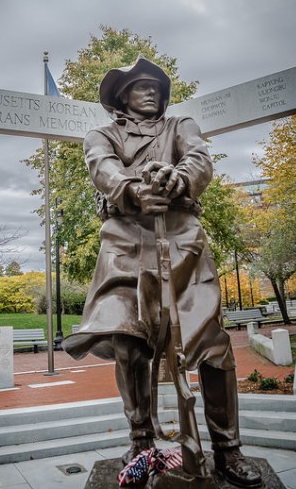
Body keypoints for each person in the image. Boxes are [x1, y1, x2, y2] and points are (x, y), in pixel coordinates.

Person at [63, 57, 261, 488]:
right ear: (122, 95)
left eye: (156, 85)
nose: (151, 91)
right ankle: (141, 442)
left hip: (182, 242)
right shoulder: (103, 133)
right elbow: (101, 166)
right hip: (125, 245)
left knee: (212, 346)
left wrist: (178, 178)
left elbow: (199, 158)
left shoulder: (180, 125)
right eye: (140, 86)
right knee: (128, 341)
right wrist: (131, 189)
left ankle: (228, 450)